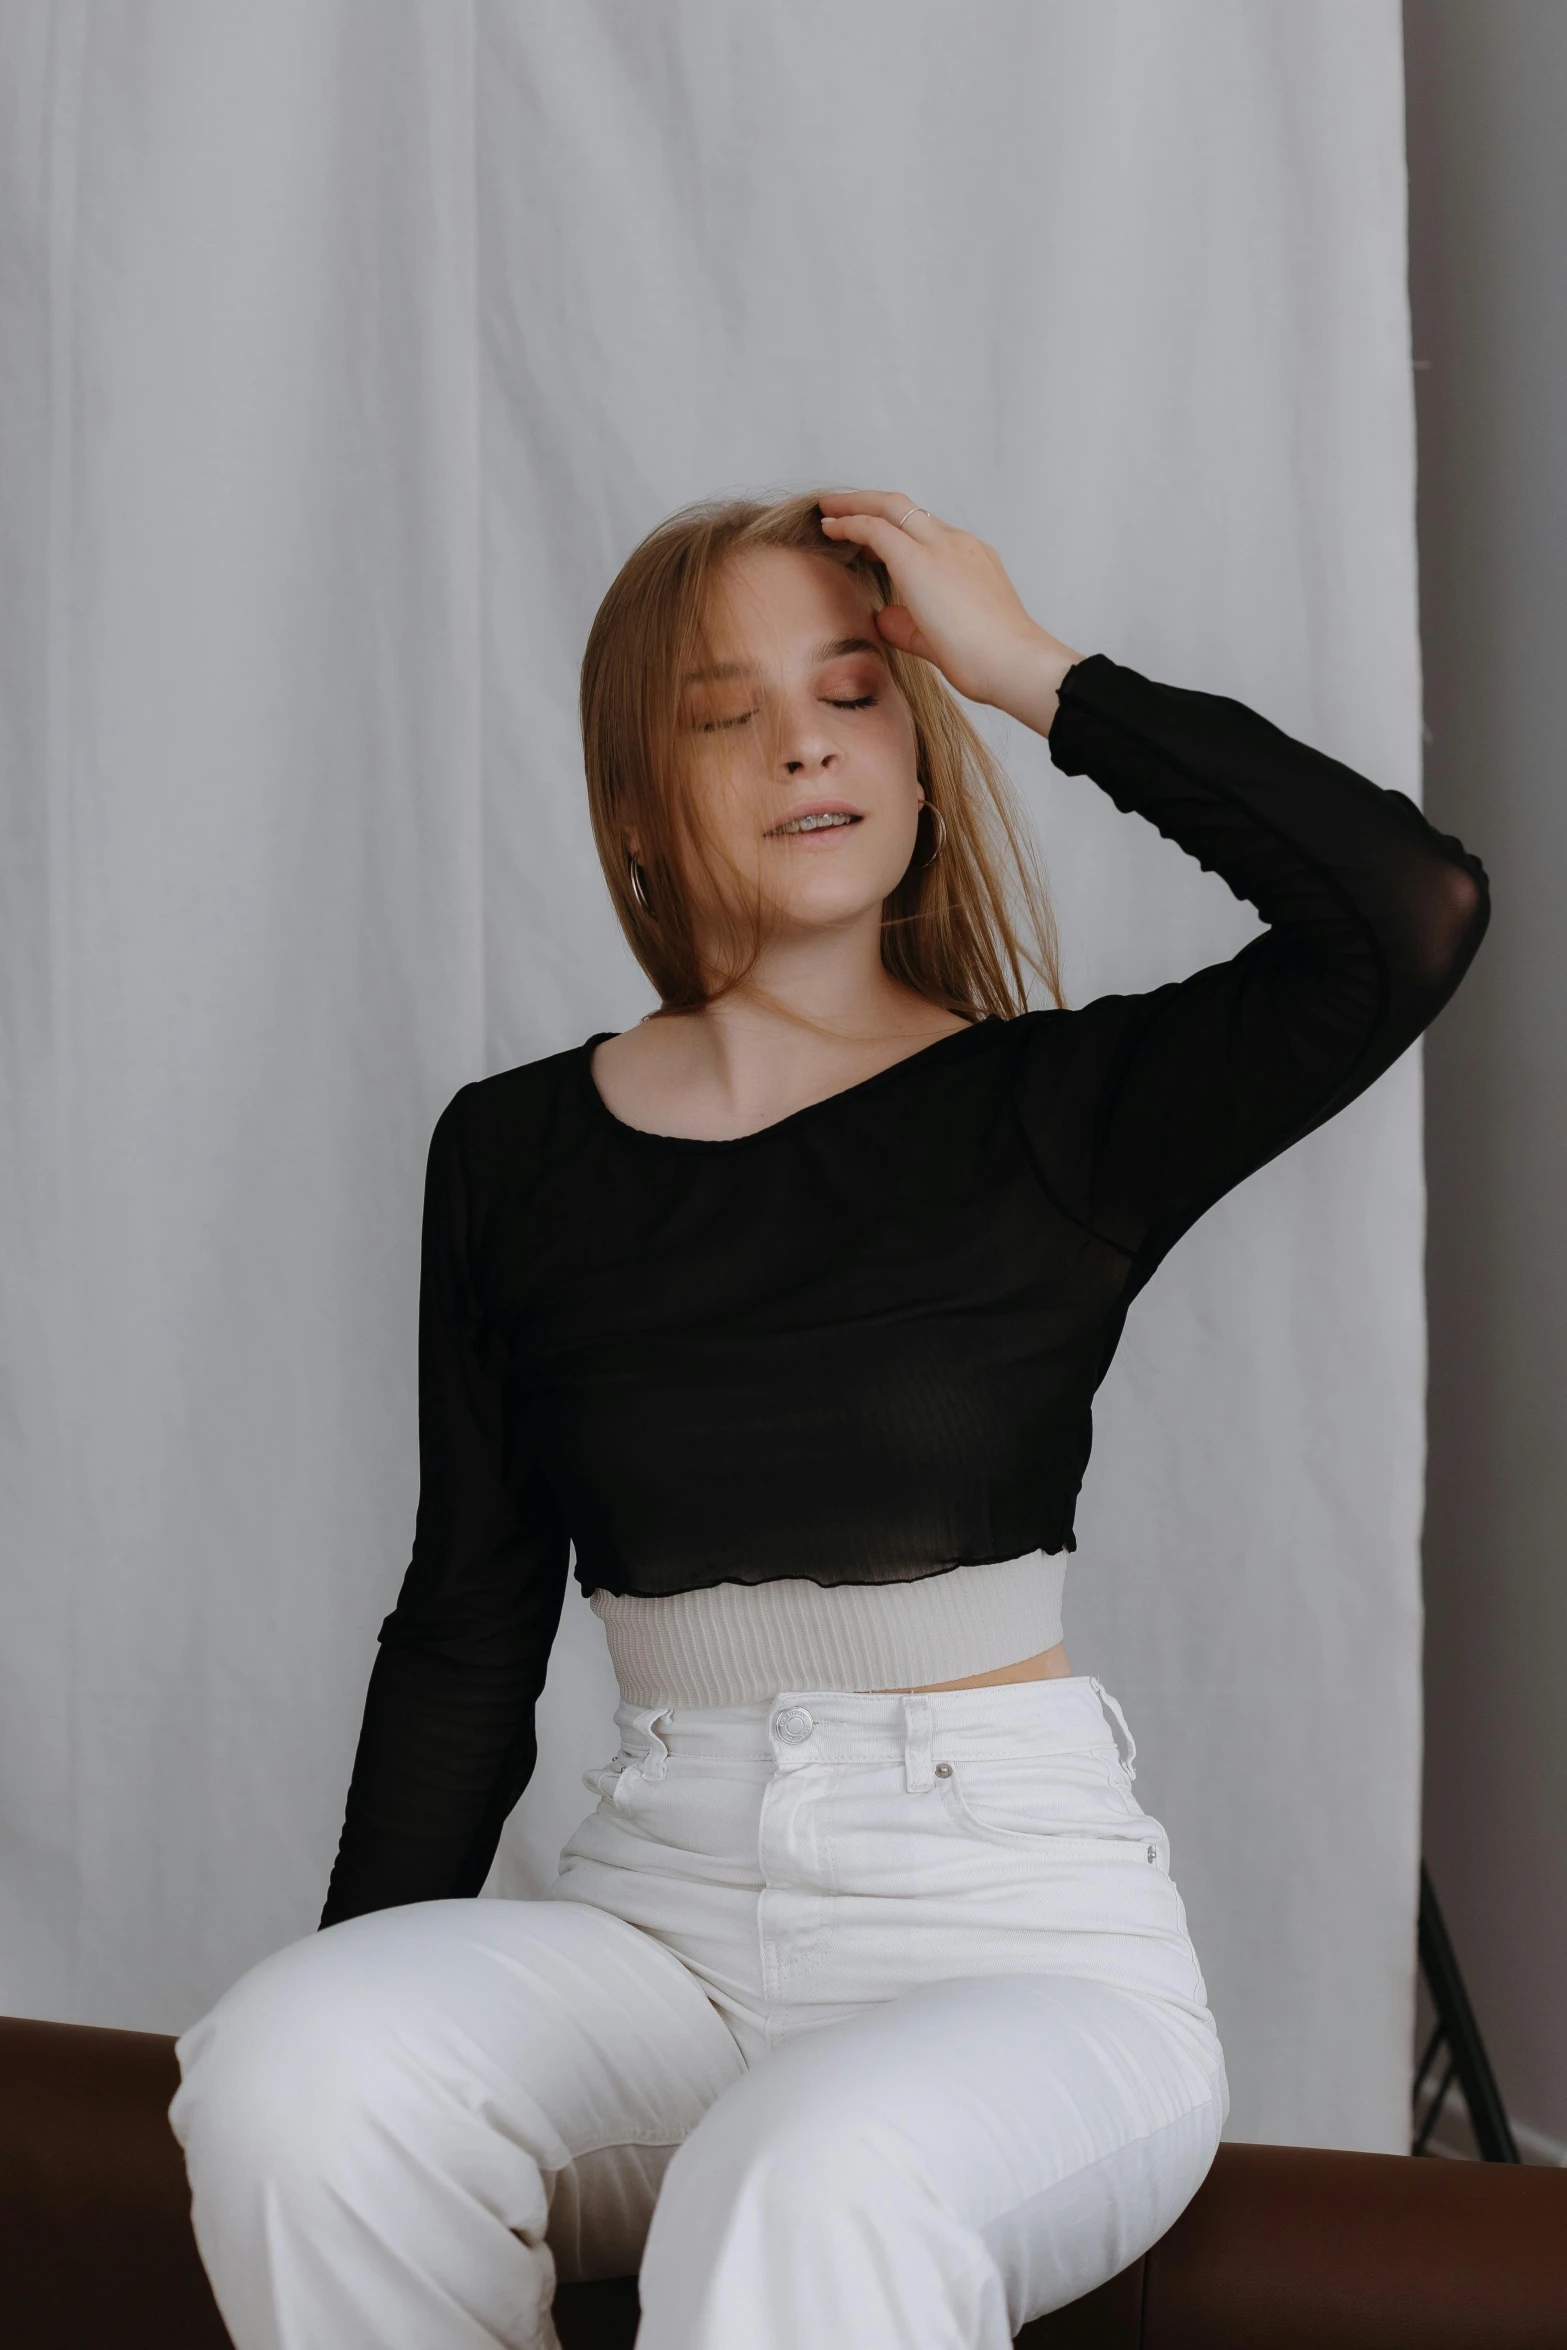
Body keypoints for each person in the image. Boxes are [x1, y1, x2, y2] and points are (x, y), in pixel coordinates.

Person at [169, 489, 1489, 2350]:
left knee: (806, 2175)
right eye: (725, 710)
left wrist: (1029, 666)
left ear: (920, 753)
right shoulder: (514, 1157)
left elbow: (1404, 910)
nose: (802, 738)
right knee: (294, 2067)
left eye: (856, 691)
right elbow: (467, 1627)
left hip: (1013, 1944)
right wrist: (376, 1979)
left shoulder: (1059, 1113)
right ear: (634, 800)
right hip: (656, 1929)